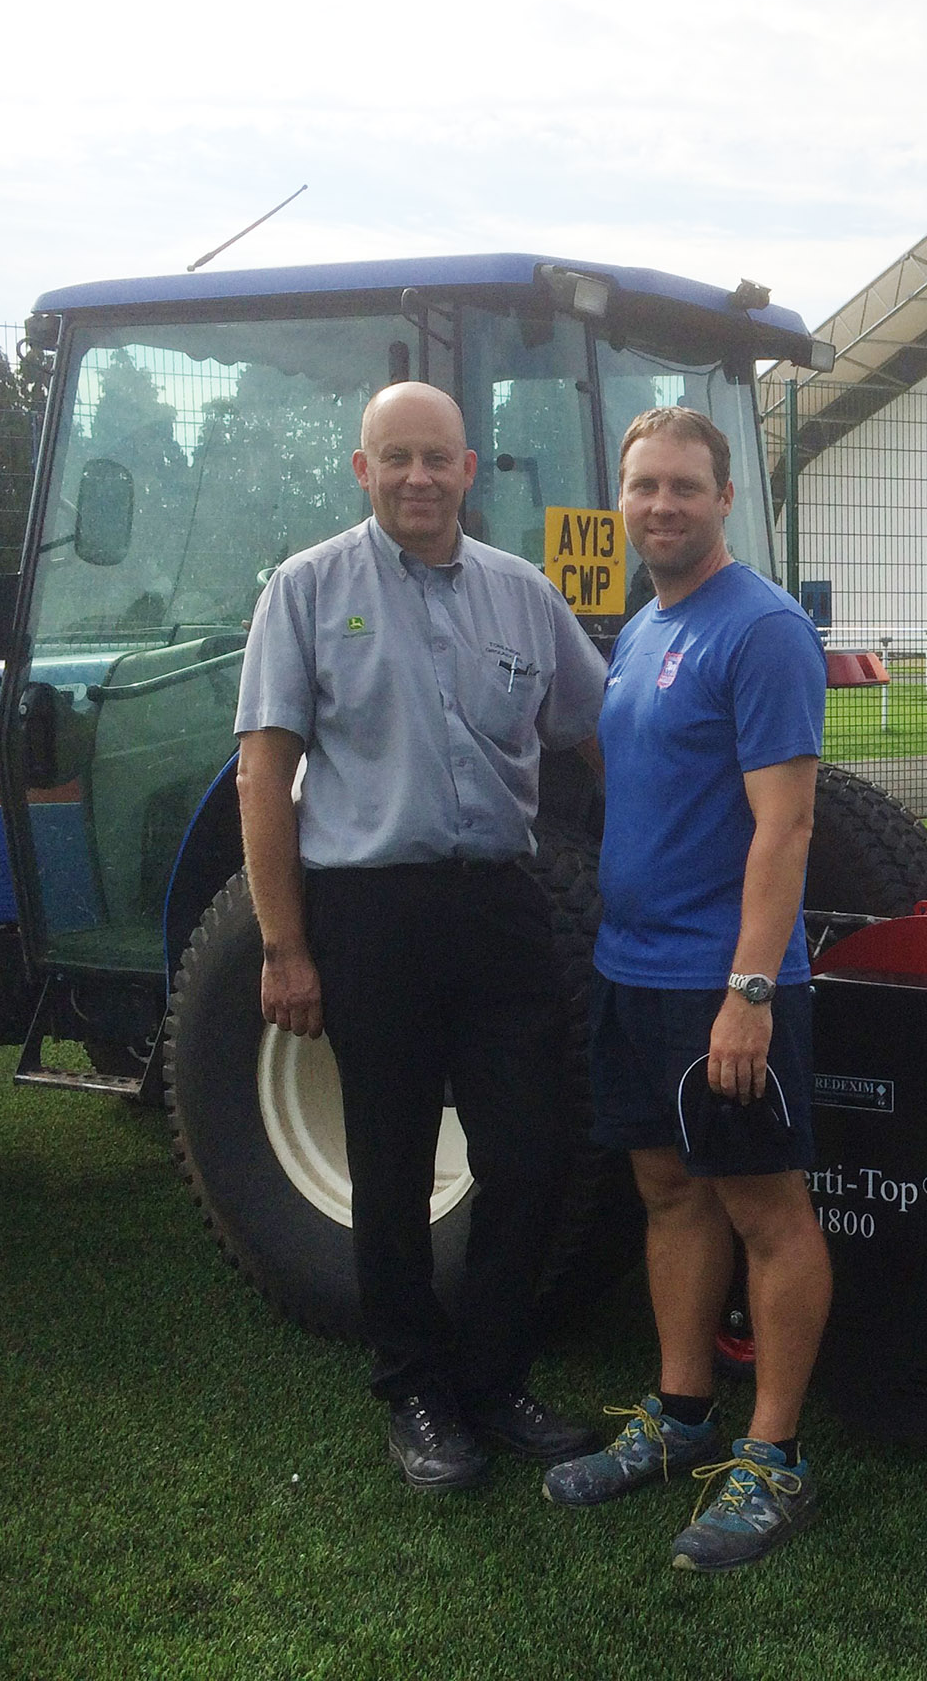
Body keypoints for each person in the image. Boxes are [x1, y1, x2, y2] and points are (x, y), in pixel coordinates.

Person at [235, 381, 610, 1490]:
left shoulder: (525, 596)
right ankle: (414, 1394)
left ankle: (494, 1381)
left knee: (530, 1152)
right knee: (390, 1168)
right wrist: (284, 946)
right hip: (370, 915)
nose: (416, 477)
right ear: (362, 469)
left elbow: (600, 731)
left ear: (469, 469)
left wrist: (650, 858)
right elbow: (265, 774)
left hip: (501, 904)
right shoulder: (305, 592)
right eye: (394, 458)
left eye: (435, 458)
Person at [541, 405, 830, 1573]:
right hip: (634, 970)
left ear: (723, 499)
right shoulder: (642, 623)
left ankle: (774, 1460)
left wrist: (750, 991)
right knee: (669, 1193)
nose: (662, 504)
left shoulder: (760, 631)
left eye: (685, 486)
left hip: (727, 985)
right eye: (643, 486)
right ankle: (680, 1412)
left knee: (767, 1210)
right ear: (623, 500)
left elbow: (787, 823)